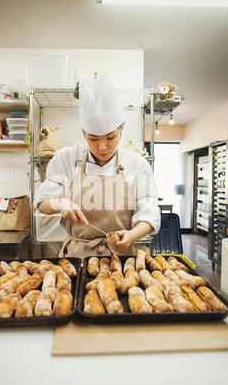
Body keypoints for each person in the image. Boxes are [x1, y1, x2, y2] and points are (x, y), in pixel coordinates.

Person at [34, 73, 160, 258]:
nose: (102, 147)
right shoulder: (65, 158)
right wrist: (59, 203)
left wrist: (131, 236)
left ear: (121, 131)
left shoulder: (137, 164)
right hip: (76, 257)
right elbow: (42, 203)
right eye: (93, 139)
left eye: (111, 137)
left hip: (121, 256)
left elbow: (149, 212)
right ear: (84, 134)